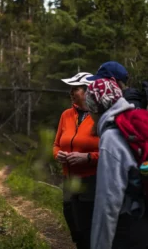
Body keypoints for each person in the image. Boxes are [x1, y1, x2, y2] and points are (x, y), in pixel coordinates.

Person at [84, 78, 148, 249]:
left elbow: (108, 202)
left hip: (130, 225)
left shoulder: (111, 138)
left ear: (95, 109)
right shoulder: (141, 120)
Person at [52, 72, 100, 249]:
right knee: (73, 222)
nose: (71, 92)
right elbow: (56, 144)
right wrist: (58, 155)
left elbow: (110, 152)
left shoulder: (101, 116)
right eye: (71, 89)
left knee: (88, 227)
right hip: (69, 179)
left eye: (75, 89)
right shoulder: (66, 115)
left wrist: (87, 157)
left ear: (88, 91)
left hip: (91, 180)